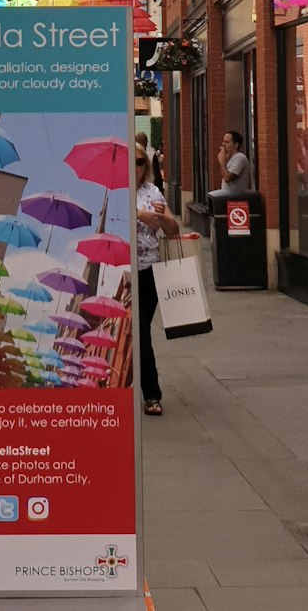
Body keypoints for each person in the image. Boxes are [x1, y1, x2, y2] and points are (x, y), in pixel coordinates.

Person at [135, 142, 179, 417]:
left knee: (140, 331)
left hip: (148, 271)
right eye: (131, 162)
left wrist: (161, 218)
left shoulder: (152, 192)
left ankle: (149, 392)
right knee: (139, 332)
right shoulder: (117, 192)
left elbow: (173, 229)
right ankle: (150, 393)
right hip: (125, 273)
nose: (136, 167)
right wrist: (138, 214)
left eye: (140, 162)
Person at [216, 129, 253, 196]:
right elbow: (223, 176)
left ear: (236, 145)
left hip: (236, 198)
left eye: (227, 142)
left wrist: (222, 162)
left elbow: (227, 178)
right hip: (227, 196)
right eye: (223, 141)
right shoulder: (230, 158)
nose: (223, 144)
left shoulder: (240, 158)